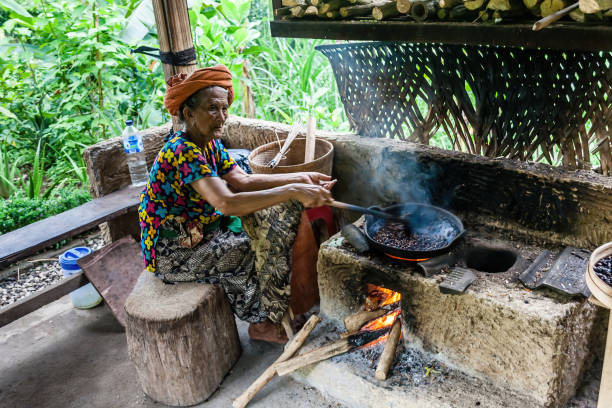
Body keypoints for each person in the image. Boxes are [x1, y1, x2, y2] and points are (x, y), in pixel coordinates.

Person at [138, 65, 335, 343]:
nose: (222, 117)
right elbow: (227, 202)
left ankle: (275, 309)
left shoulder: (209, 143)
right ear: (188, 113)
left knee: (265, 230)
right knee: (244, 247)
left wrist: (302, 177)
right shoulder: (181, 151)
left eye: (224, 108)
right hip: (172, 251)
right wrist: (292, 189)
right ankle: (260, 324)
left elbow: (242, 180)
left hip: (203, 233)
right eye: (212, 109)